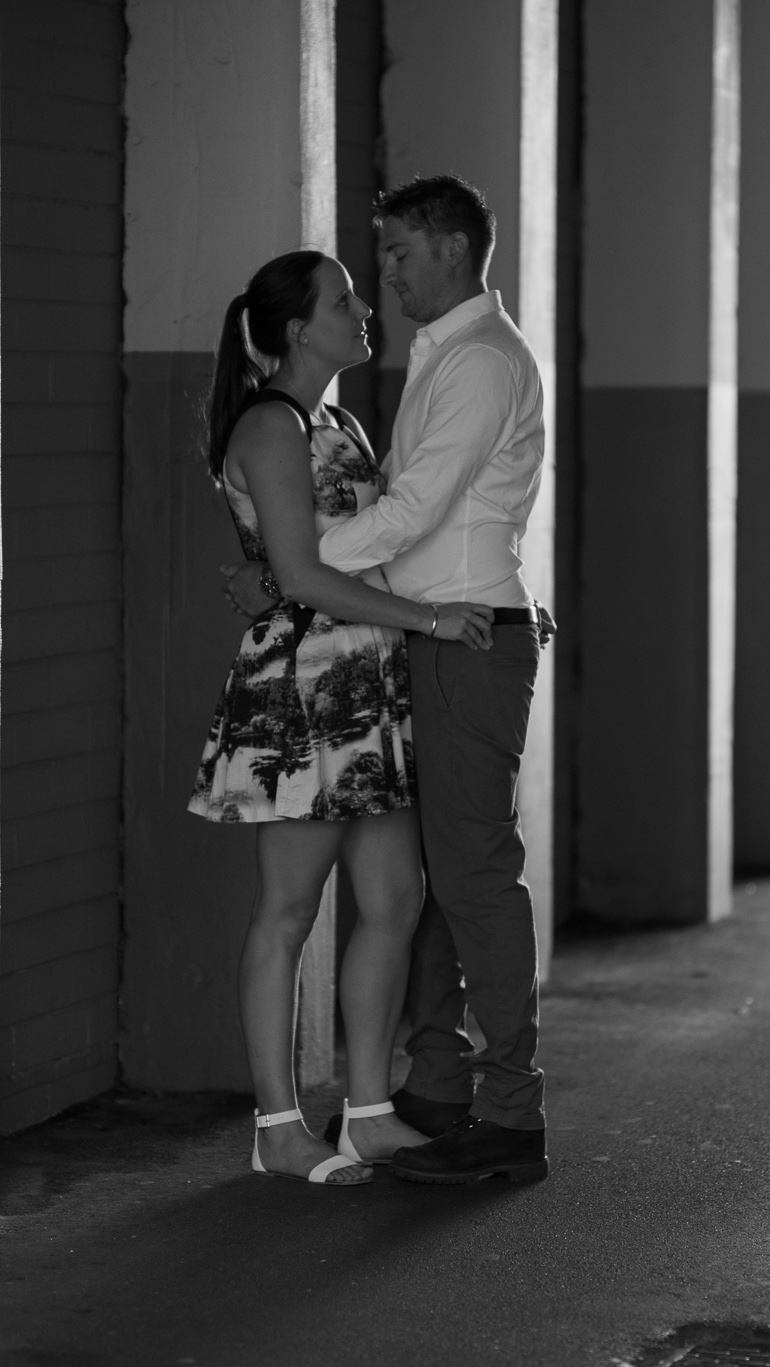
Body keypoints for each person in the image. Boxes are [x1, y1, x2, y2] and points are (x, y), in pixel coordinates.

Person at [224, 175, 553, 1185]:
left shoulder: (465, 368)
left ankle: (454, 1109)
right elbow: (382, 542)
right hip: (349, 665)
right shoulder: (322, 407)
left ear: (449, 250)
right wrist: (310, 570)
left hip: (413, 652)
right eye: (346, 293)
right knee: (359, 898)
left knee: (434, 888)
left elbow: (410, 519)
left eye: (397, 257)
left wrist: (306, 559)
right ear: (292, 329)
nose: (379, 286)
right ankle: (336, 1109)